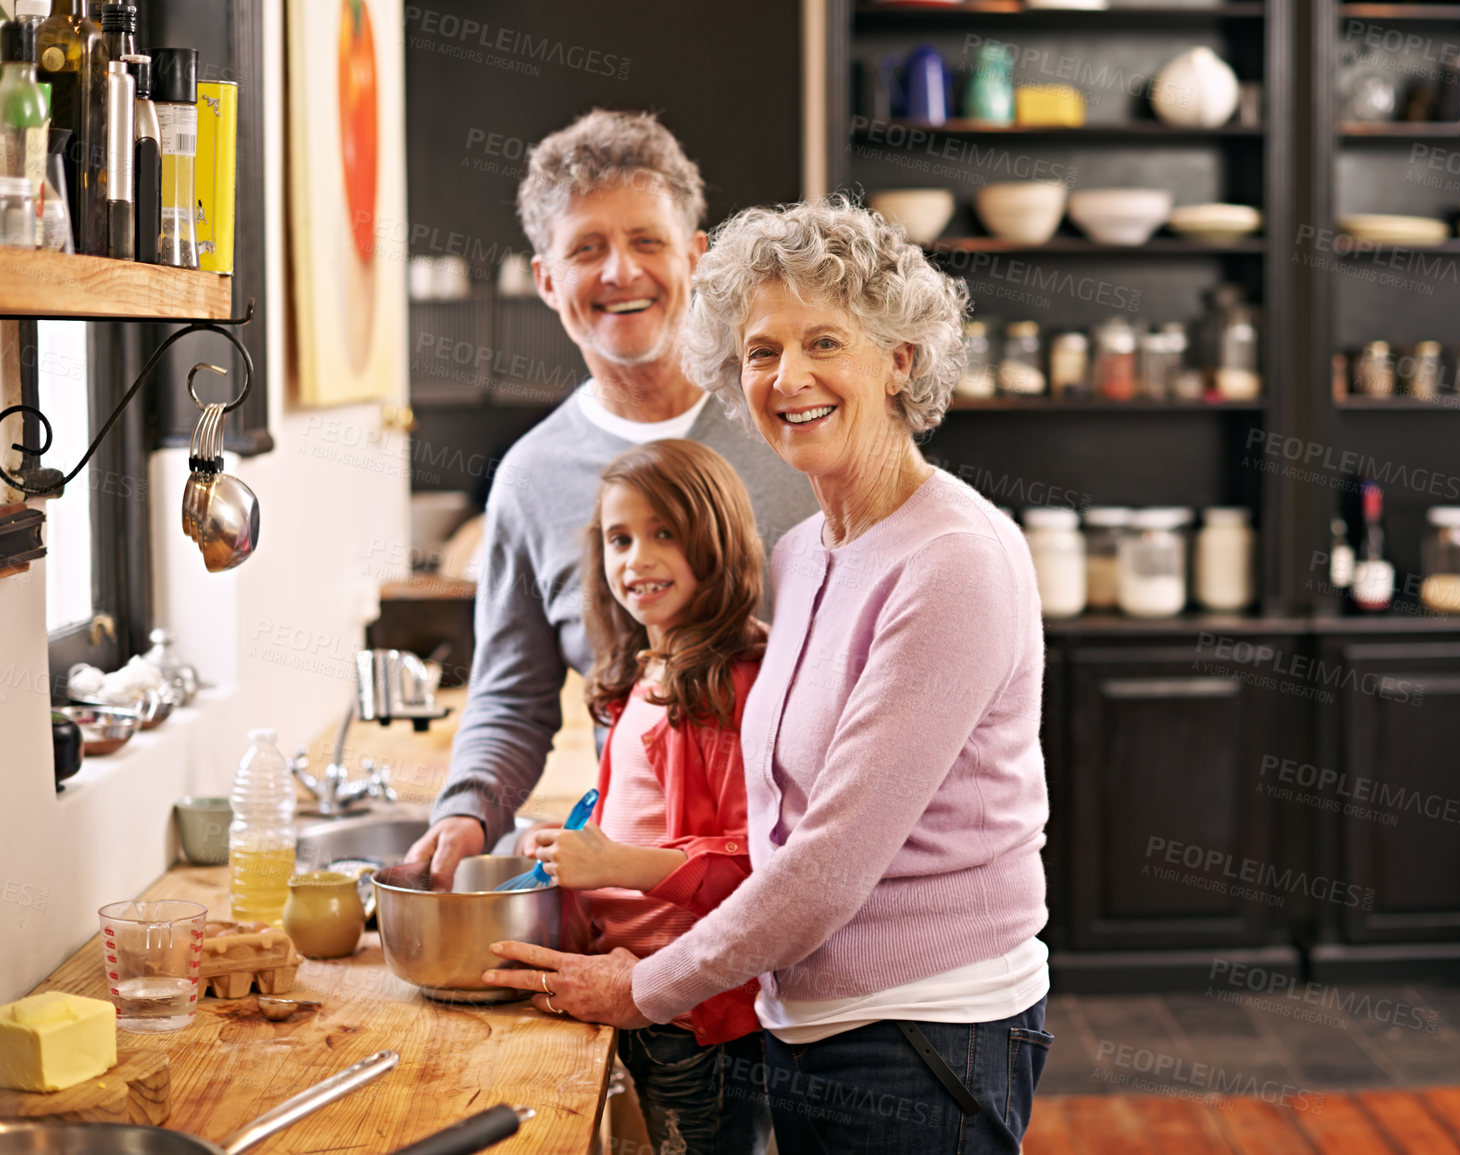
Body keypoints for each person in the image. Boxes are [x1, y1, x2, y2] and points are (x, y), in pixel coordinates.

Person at [484, 198, 1054, 1154]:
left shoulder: (953, 559)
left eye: (824, 342)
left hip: (926, 1034)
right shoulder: (799, 553)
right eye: (759, 352)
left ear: (899, 359)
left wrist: (642, 987)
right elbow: (771, 810)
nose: (787, 379)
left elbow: (825, 868)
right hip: (806, 1019)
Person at [406, 110, 816, 888]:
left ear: (695, 256)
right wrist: (465, 810)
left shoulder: (791, 428)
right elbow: (511, 697)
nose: (619, 272)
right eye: (586, 248)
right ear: (546, 278)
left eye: (647, 241)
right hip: (644, 901)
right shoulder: (529, 480)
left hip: (806, 891)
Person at [526, 438, 769, 1154]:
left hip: (693, 1012)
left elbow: (757, 867)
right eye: (619, 537)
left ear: (716, 540)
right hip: (637, 991)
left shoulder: (725, 684)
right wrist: (576, 837)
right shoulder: (653, 666)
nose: (637, 559)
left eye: (664, 533)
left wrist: (614, 865)